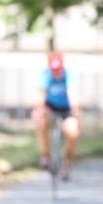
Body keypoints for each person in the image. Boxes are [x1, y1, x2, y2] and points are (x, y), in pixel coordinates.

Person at [34, 51, 80, 180]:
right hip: (50, 106)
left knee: (73, 131)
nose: (56, 73)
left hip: (67, 108)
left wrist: (75, 109)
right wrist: (40, 109)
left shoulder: (70, 74)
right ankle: (46, 156)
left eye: (58, 70)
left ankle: (66, 164)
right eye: (54, 70)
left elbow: (73, 93)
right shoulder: (45, 74)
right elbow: (41, 94)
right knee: (42, 122)